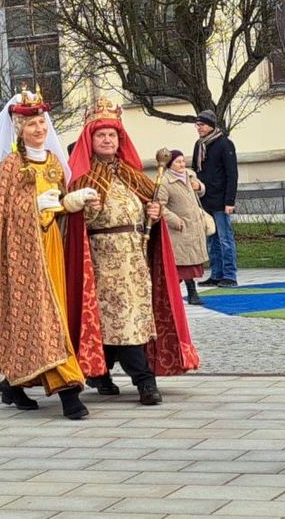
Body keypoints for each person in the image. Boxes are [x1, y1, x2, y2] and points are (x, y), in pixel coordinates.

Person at [66, 97, 199, 406]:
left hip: (136, 259)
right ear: (91, 139)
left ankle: (100, 373)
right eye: (101, 135)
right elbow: (74, 226)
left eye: (113, 135)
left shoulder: (133, 175)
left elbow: (149, 212)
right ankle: (143, 381)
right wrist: (91, 211)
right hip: (103, 259)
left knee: (130, 319)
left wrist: (153, 212)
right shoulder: (83, 181)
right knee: (119, 320)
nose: (108, 140)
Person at [0, 87, 96, 420]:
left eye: (42, 122)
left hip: (53, 248)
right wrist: (32, 206)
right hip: (24, 256)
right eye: (32, 125)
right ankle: (70, 392)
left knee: (54, 314)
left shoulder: (55, 161)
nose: (39, 129)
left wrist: (72, 202)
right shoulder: (11, 166)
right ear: (19, 129)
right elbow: (0, 215)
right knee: (44, 318)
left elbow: (60, 200)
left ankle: (13, 383)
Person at [155, 150, 210, 305]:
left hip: (194, 226)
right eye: (178, 162)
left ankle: (175, 295)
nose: (182, 164)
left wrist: (199, 186)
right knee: (182, 265)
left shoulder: (189, 175)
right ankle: (173, 295)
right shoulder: (165, 182)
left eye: (182, 161)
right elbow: (159, 205)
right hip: (179, 229)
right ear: (170, 164)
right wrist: (173, 220)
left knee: (190, 262)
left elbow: (200, 192)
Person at [191, 109, 238, 288]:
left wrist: (230, 201)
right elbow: (196, 170)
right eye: (197, 125)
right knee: (212, 238)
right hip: (205, 198)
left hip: (221, 199)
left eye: (201, 125)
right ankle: (216, 273)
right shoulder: (199, 145)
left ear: (210, 125)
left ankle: (229, 274)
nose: (199, 128)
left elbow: (231, 174)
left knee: (225, 238)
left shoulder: (225, 144)